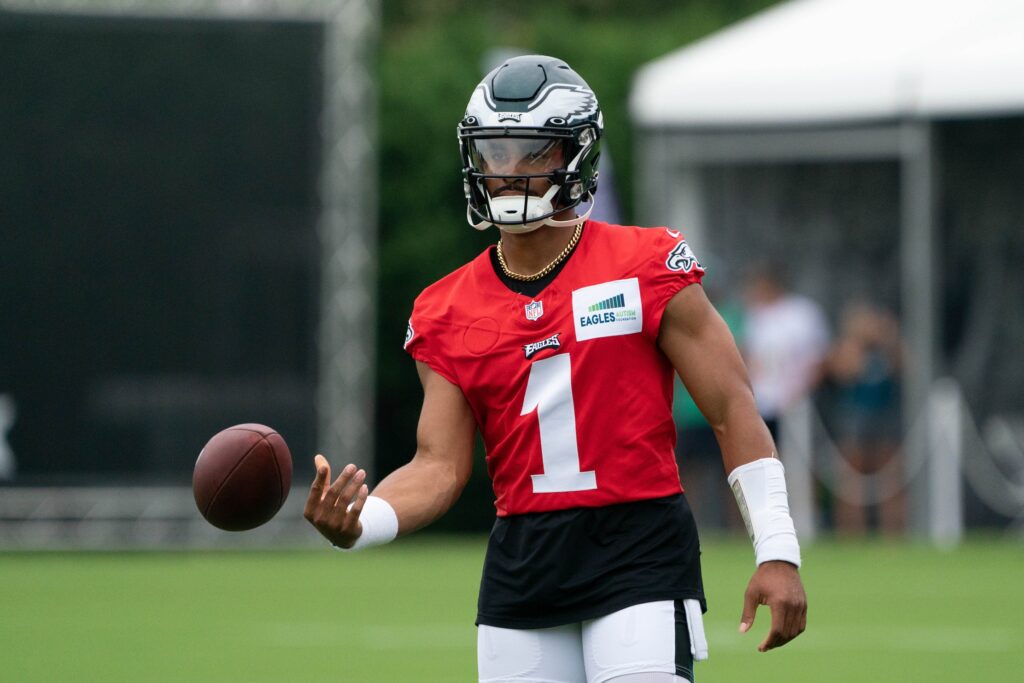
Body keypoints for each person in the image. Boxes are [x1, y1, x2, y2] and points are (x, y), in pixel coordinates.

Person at [304, 55, 806, 683]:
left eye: (530, 152)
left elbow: (733, 411)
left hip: (639, 548)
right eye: (494, 153)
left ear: (574, 155)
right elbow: (439, 465)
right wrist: (363, 520)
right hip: (524, 564)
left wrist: (778, 549)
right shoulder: (446, 308)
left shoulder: (646, 264)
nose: (507, 172)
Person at [825, 301, 904, 535]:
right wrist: (858, 343)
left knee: (891, 481)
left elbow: (908, 366)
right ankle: (852, 535)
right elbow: (844, 372)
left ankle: (893, 536)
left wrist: (888, 338)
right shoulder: (849, 347)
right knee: (851, 485)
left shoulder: (887, 350)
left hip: (885, 419)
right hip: (853, 420)